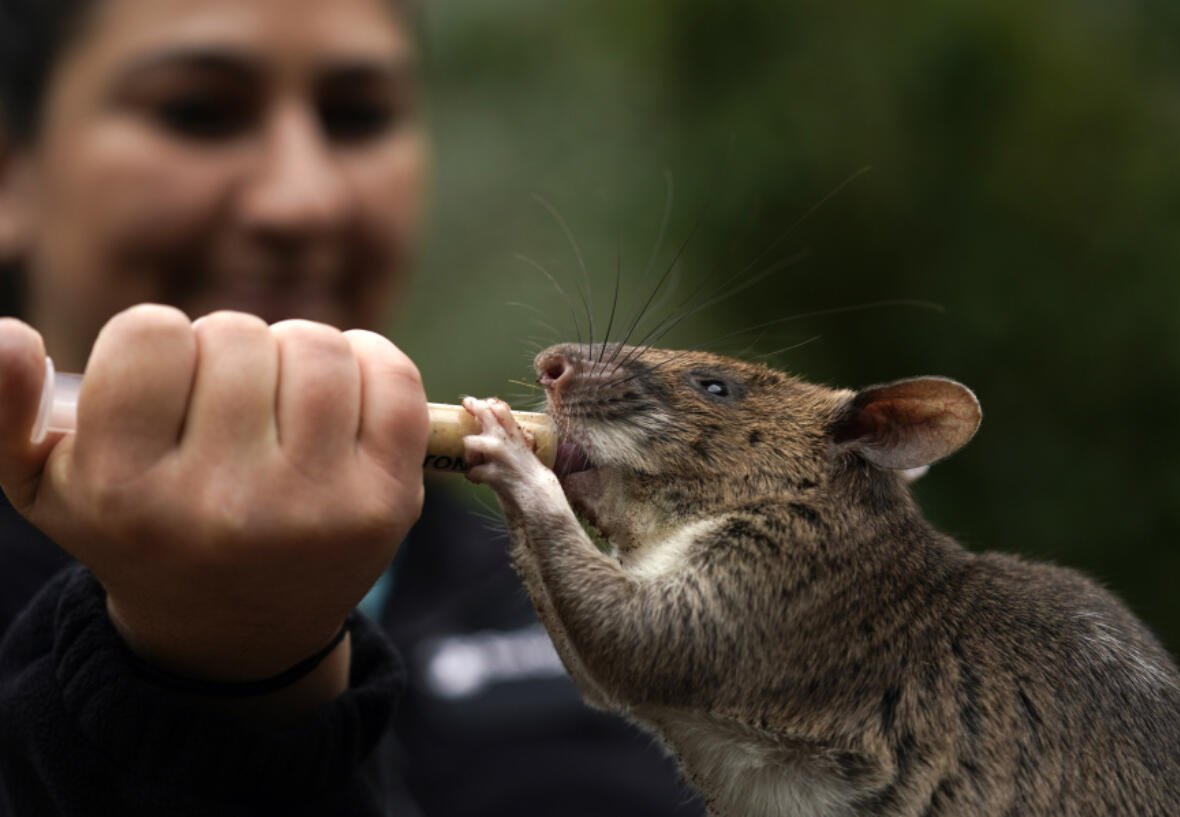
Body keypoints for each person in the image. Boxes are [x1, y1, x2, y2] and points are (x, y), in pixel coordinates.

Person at [0, 0, 702, 813]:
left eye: (357, 117)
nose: (304, 201)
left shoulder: (579, 623)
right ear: (13, 168)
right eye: (196, 111)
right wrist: (216, 687)